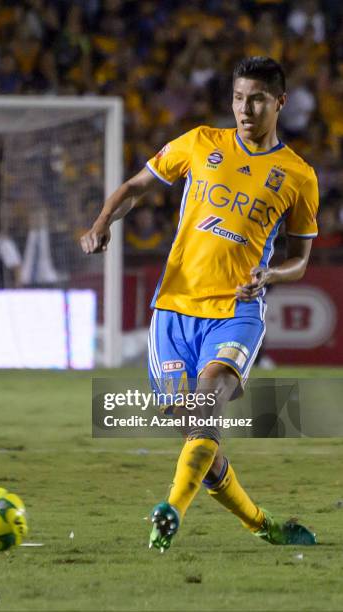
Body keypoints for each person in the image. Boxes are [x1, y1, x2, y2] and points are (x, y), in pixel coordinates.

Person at [81, 57, 319, 551]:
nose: (244, 109)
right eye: (237, 98)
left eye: (256, 98)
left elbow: (299, 258)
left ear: (280, 102)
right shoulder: (200, 143)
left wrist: (269, 275)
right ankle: (261, 523)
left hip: (237, 311)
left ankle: (170, 511)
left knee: (207, 404)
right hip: (173, 310)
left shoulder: (298, 176)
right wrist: (104, 221)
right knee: (195, 432)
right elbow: (135, 188)